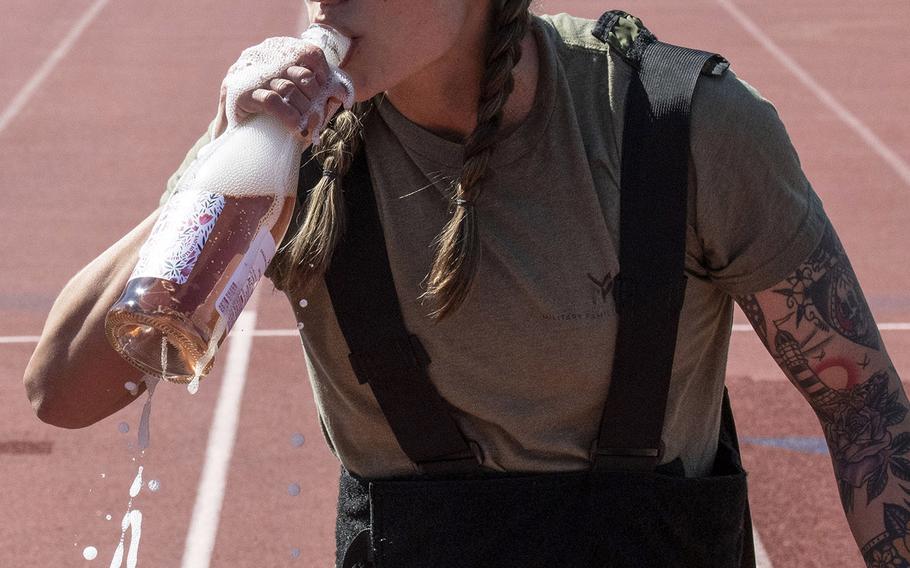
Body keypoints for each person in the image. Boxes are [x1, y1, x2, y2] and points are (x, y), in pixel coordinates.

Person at [22, 1, 907, 566]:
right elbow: (63, 389)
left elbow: (862, 401)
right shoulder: (289, 154)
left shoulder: (678, 126)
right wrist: (222, 154)